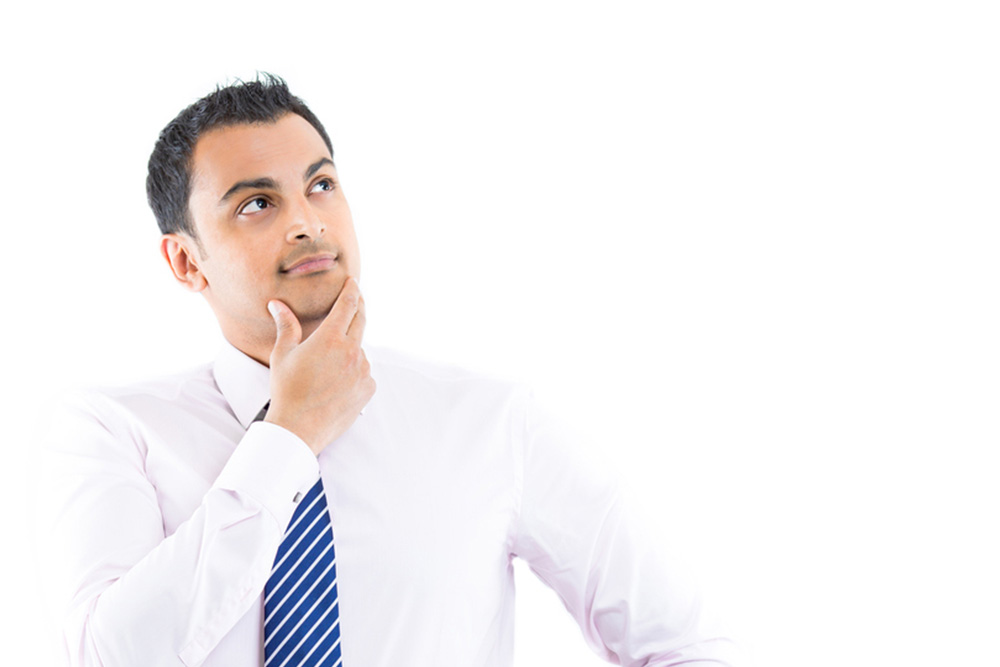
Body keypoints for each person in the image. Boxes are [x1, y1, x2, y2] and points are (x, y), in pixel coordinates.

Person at [36, 74, 737, 666]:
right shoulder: (114, 429)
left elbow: (683, 642)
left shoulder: (489, 420)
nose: (307, 222)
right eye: (257, 203)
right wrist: (288, 437)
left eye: (320, 185)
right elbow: (109, 654)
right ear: (187, 262)